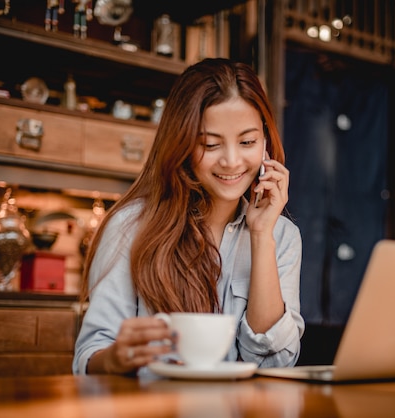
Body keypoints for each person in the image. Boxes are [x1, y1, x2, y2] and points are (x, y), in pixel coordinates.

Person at [73, 58, 304, 376]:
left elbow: (275, 362)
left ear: (265, 142)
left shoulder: (282, 236)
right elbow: (88, 359)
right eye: (210, 144)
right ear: (181, 144)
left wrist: (261, 235)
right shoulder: (132, 227)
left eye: (247, 142)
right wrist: (114, 358)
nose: (232, 161)